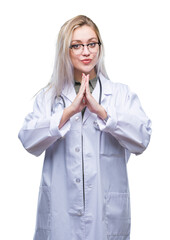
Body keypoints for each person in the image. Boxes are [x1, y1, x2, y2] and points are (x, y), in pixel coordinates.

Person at [18, 15, 152, 240]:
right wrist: (67, 112)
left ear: (100, 47)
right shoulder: (51, 97)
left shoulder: (119, 94)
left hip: (105, 215)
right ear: (65, 50)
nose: (86, 51)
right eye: (77, 46)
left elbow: (142, 139)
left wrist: (103, 113)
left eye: (92, 44)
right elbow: (28, 140)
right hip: (60, 215)